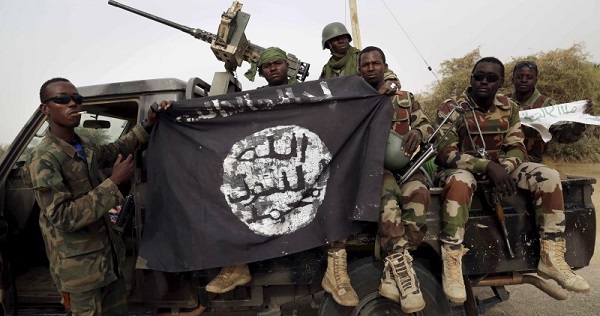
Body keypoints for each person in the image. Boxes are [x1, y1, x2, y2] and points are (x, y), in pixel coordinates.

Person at [435, 57, 590, 304]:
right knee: (460, 183)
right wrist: (487, 166)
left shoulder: (509, 107)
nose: (484, 81)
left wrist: (504, 167)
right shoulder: (453, 108)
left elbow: (517, 147)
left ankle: (551, 257)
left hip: (502, 168)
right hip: (462, 168)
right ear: (471, 78)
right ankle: (452, 262)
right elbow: (447, 153)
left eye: (491, 78)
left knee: (548, 175)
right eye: (479, 76)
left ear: (501, 82)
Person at [28, 77, 172, 315]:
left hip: (108, 264)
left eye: (77, 99)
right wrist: (114, 182)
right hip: (80, 276)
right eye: (63, 100)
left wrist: (148, 123)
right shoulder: (43, 159)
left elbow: (118, 149)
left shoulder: (84, 145)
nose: (73, 104)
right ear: (45, 108)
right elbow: (63, 217)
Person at [359, 46, 434, 313]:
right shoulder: (355, 101)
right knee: (387, 199)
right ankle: (403, 271)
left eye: (375, 63)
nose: (370, 68)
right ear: (360, 70)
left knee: (420, 195)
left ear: (384, 65)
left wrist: (418, 131)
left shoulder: (404, 98)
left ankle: (396, 268)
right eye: (365, 64)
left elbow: (426, 124)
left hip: (407, 167)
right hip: (374, 170)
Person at [505, 60, 594, 163]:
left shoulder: (547, 106)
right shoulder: (503, 102)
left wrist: (579, 123)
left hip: (532, 163)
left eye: (529, 77)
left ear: (536, 80)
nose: (524, 80)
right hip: (502, 159)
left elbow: (563, 136)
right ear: (512, 79)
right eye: (519, 77)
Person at [319, 22, 401, 91]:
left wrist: (391, 82)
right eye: (336, 39)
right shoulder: (327, 69)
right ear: (328, 44)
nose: (341, 41)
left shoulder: (361, 58)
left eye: (343, 37)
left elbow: (387, 75)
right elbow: (320, 89)